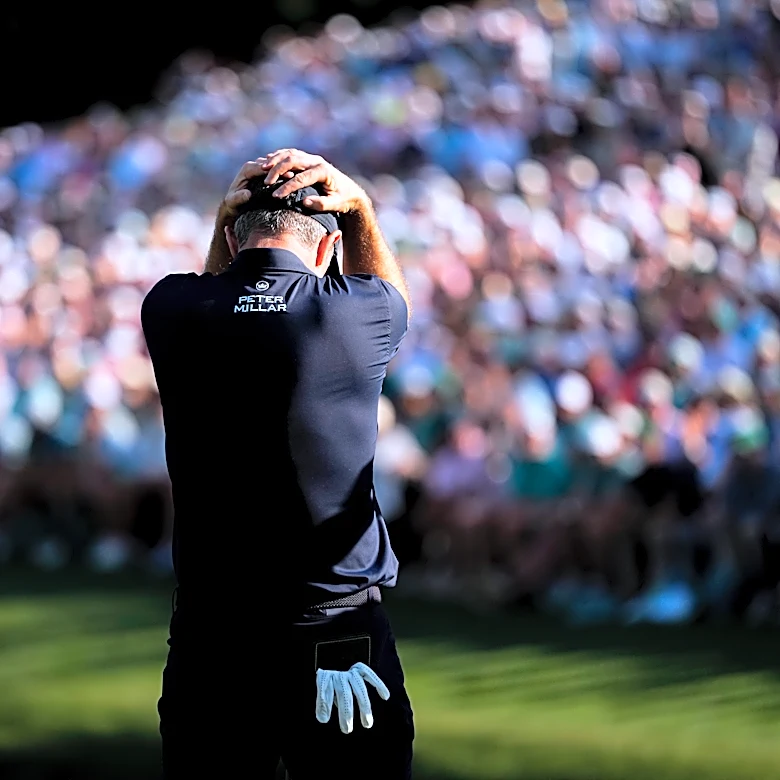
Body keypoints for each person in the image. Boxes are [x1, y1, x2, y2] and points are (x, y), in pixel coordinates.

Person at [141, 149, 414, 779]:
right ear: (326, 252)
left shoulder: (173, 308)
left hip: (212, 639)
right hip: (337, 636)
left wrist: (222, 225)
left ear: (233, 239)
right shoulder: (354, 313)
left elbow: (215, 295)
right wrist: (362, 212)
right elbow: (392, 299)